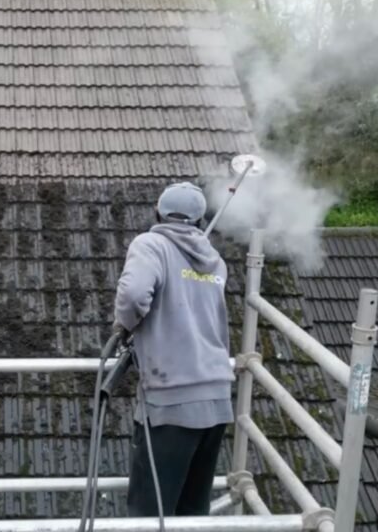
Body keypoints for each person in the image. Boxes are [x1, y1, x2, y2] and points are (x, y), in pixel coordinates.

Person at [112, 181, 235, 517]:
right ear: (198, 221)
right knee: (191, 513)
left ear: (158, 213)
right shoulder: (215, 261)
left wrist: (124, 325)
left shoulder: (151, 244)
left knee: (149, 517)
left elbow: (134, 294)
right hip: (216, 399)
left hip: (172, 402)